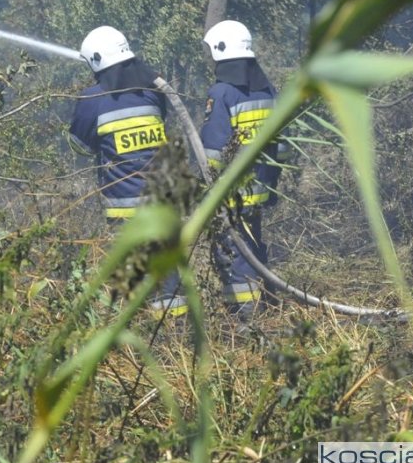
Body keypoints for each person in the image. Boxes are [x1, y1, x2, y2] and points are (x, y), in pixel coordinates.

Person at [68, 26, 185, 317]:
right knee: (168, 276)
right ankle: (177, 333)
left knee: (136, 278)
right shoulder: (152, 92)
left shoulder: (92, 99)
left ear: (96, 61)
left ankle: (145, 332)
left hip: (126, 211)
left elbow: (79, 146)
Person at [199, 20, 290, 318]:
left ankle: (247, 319)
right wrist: (271, 183)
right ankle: (266, 301)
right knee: (252, 245)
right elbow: (283, 146)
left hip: (232, 193)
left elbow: (213, 152)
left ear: (219, 50)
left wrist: (206, 189)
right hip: (260, 188)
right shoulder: (267, 90)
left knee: (233, 253)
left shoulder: (222, 93)